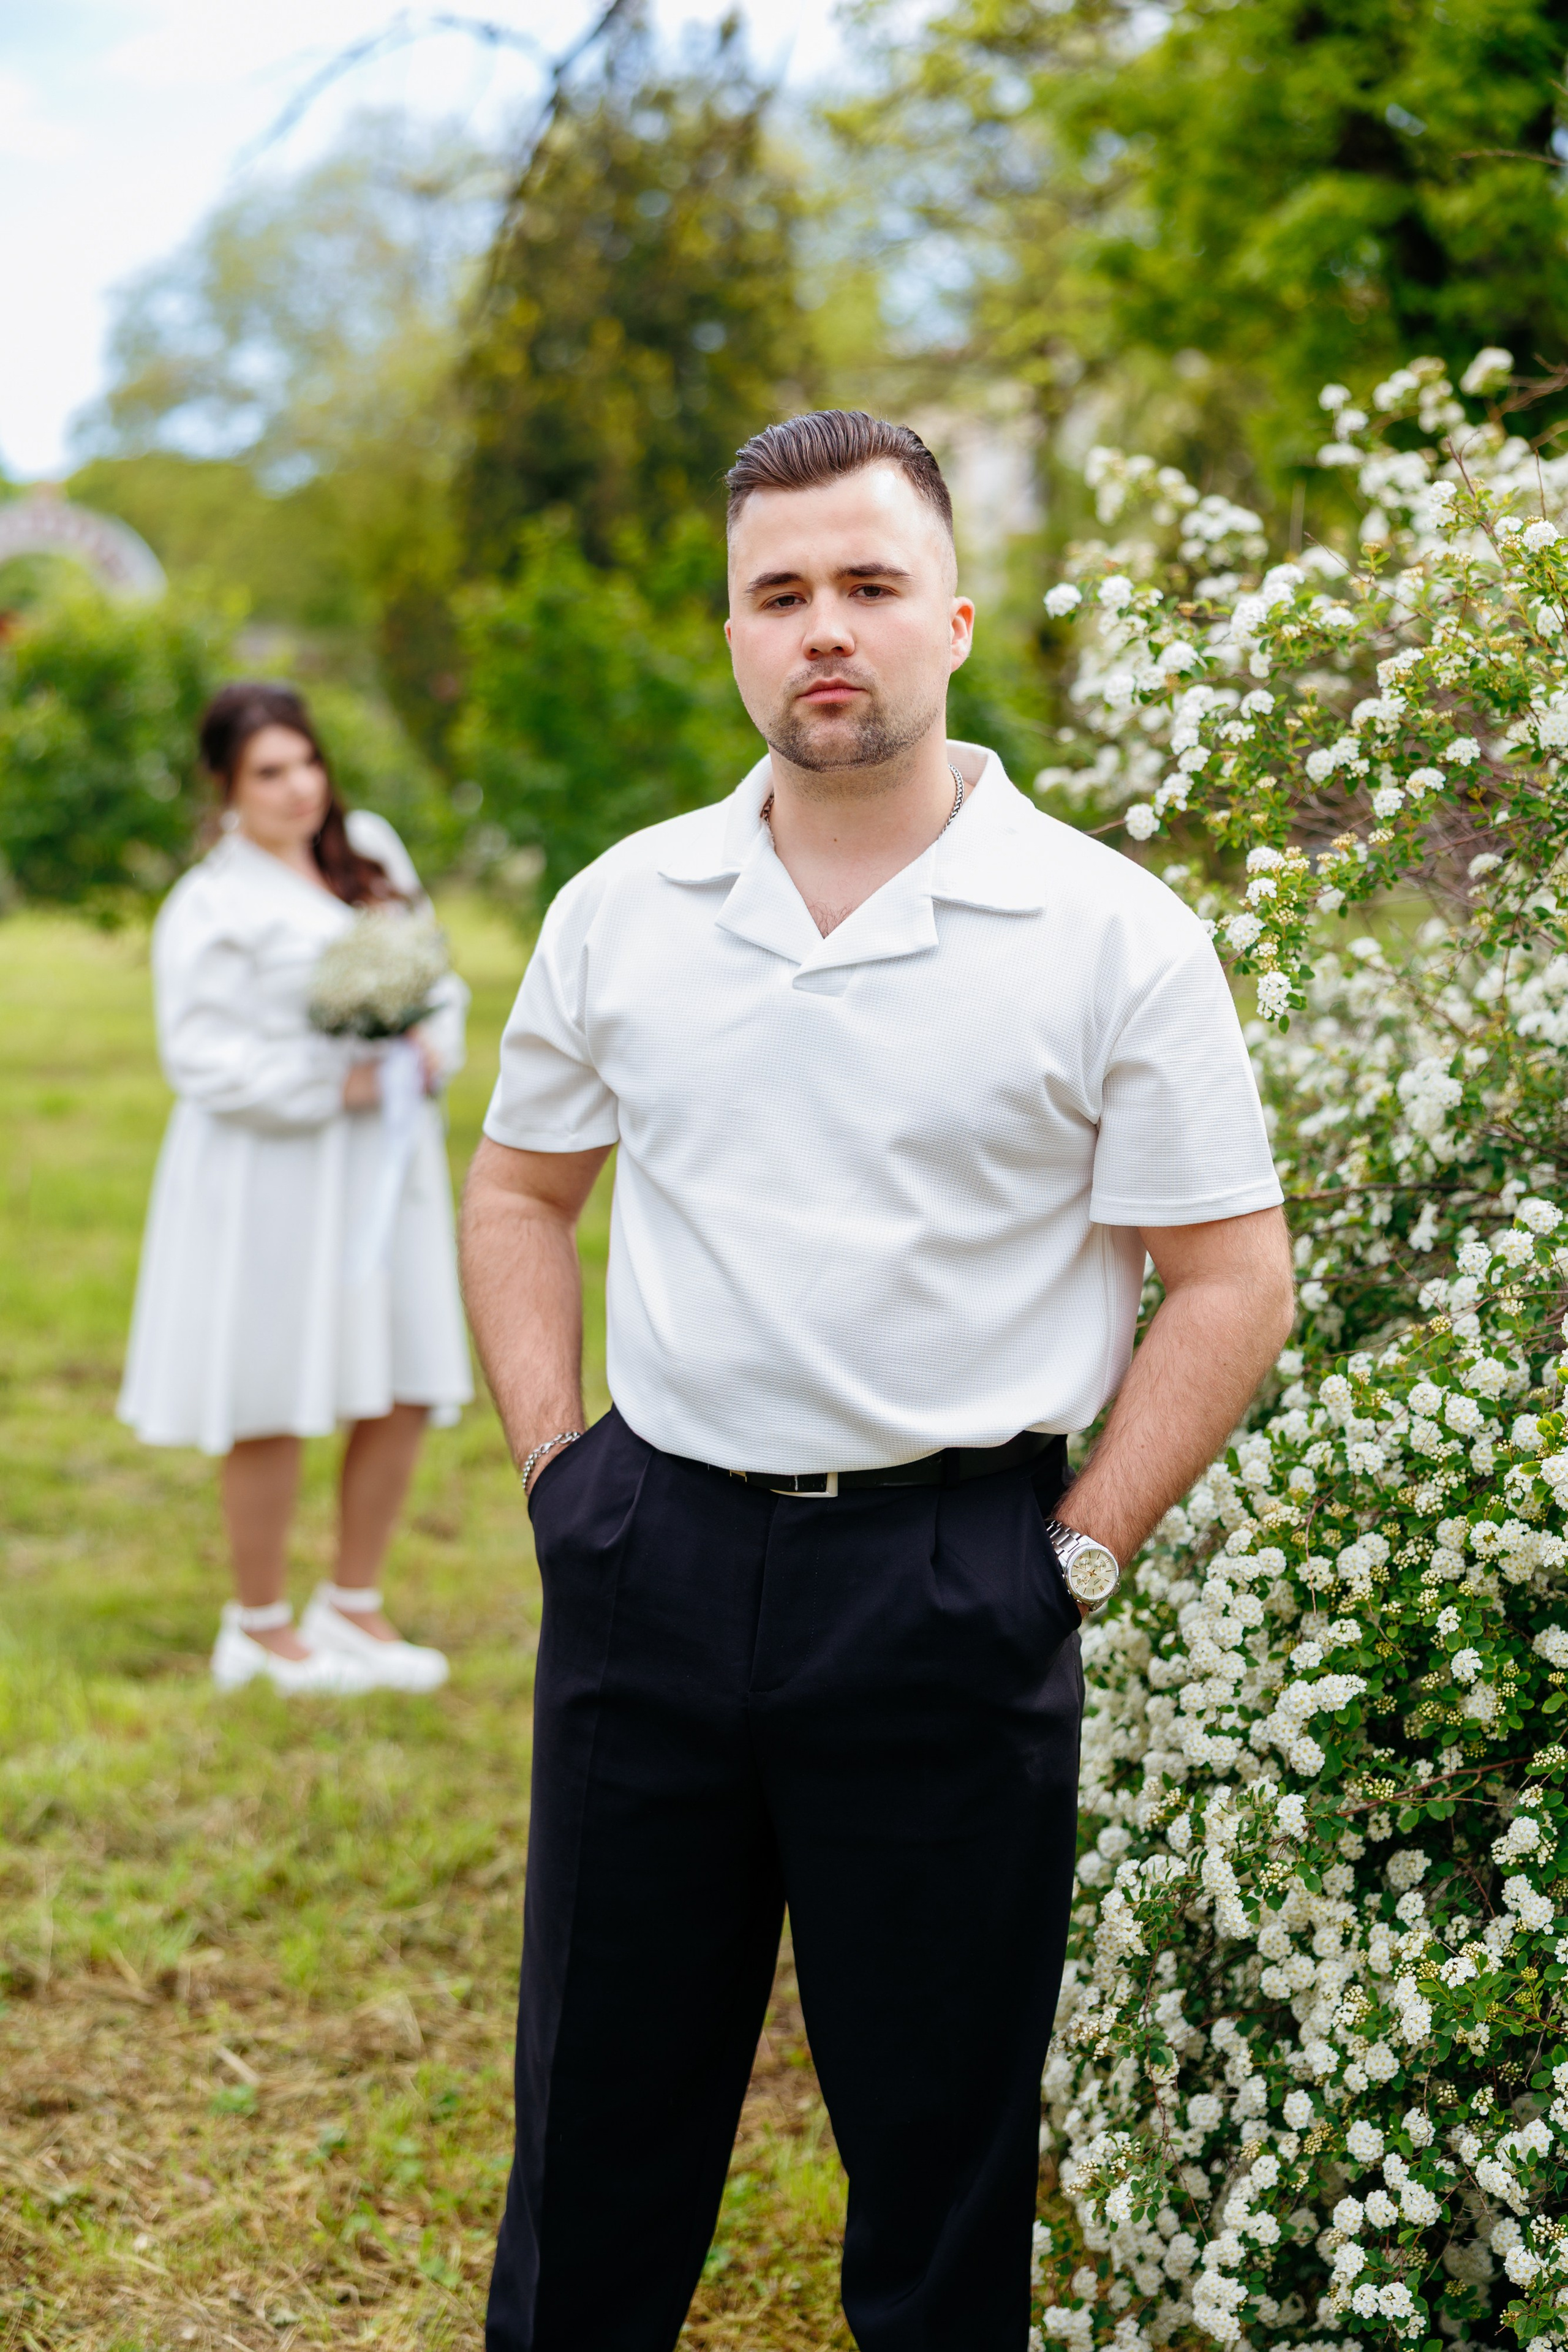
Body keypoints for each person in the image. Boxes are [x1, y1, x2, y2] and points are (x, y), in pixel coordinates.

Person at [461, 411, 1295, 2352]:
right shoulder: (626, 907)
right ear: (733, 636)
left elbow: (1232, 1277)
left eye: (867, 583)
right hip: (653, 1557)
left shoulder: (1109, 931)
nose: (823, 627)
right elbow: (517, 1192)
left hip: (952, 1583)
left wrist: (1073, 1556)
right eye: (780, 594)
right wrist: (561, 1475)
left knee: (937, 2163)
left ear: (955, 619)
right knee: (594, 2134)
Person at [118, 682, 472, 1695]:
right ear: (226, 785)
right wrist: (339, 1084)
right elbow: (202, 1060)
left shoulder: (371, 850)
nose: (300, 787)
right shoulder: (211, 906)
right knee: (271, 1387)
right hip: (274, 1172)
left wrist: (429, 1048)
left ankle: (353, 1605)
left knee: (405, 1376)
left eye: (308, 761)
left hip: (385, 1165)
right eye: (270, 772)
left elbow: (437, 978)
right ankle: (259, 1626)